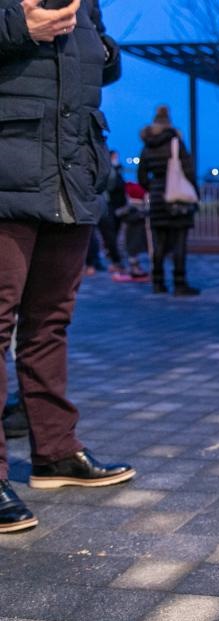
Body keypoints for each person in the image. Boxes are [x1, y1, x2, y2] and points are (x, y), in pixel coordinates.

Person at [0, 0, 136, 534]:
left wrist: (104, 49)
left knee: (50, 322)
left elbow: (99, 63)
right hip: (7, 170)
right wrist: (18, 27)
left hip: (71, 170)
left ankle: (56, 452)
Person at [138, 105, 200, 296]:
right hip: (177, 198)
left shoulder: (147, 146)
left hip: (157, 198)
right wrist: (195, 194)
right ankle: (179, 283)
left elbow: (141, 177)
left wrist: (153, 188)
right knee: (179, 242)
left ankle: (158, 282)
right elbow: (188, 171)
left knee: (159, 243)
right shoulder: (176, 143)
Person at [101, 150, 149, 281]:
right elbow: (110, 186)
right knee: (111, 235)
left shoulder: (117, 170)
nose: (116, 159)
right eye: (114, 157)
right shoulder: (110, 170)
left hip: (117, 207)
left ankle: (120, 262)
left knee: (115, 235)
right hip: (110, 206)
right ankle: (119, 262)